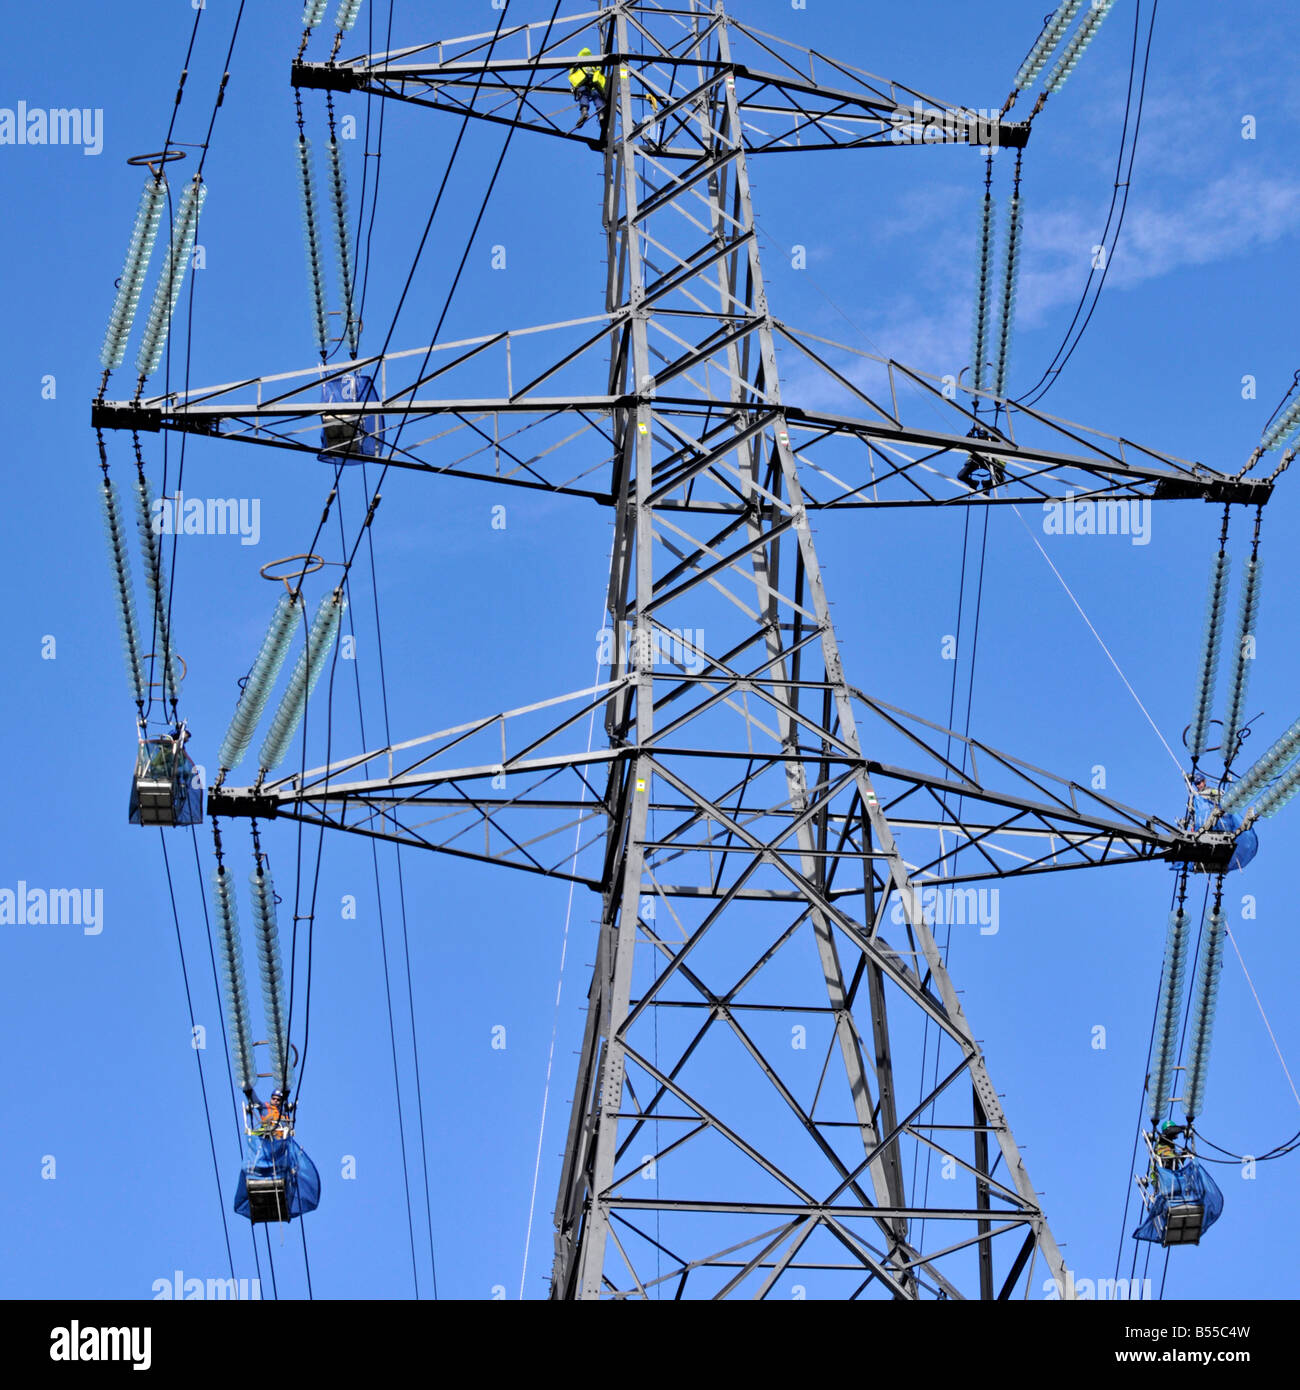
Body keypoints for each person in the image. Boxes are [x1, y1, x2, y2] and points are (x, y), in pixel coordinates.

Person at [569, 48, 608, 129]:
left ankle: (584, 111)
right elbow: (600, 71)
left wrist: (573, 88)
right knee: (597, 96)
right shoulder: (594, 61)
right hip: (594, 81)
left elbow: (572, 76)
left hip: (582, 80)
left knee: (583, 94)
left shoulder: (577, 62)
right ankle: (601, 114)